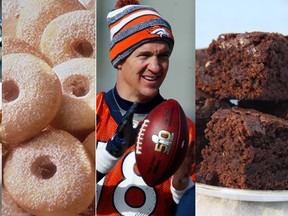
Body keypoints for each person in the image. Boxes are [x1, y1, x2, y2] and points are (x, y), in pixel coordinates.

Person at [96, 0, 195, 215]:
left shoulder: (184, 130)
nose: (156, 66)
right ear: (120, 59)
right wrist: (109, 155)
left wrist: (182, 186)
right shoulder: (91, 110)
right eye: (145, 55)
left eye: (163, 56)